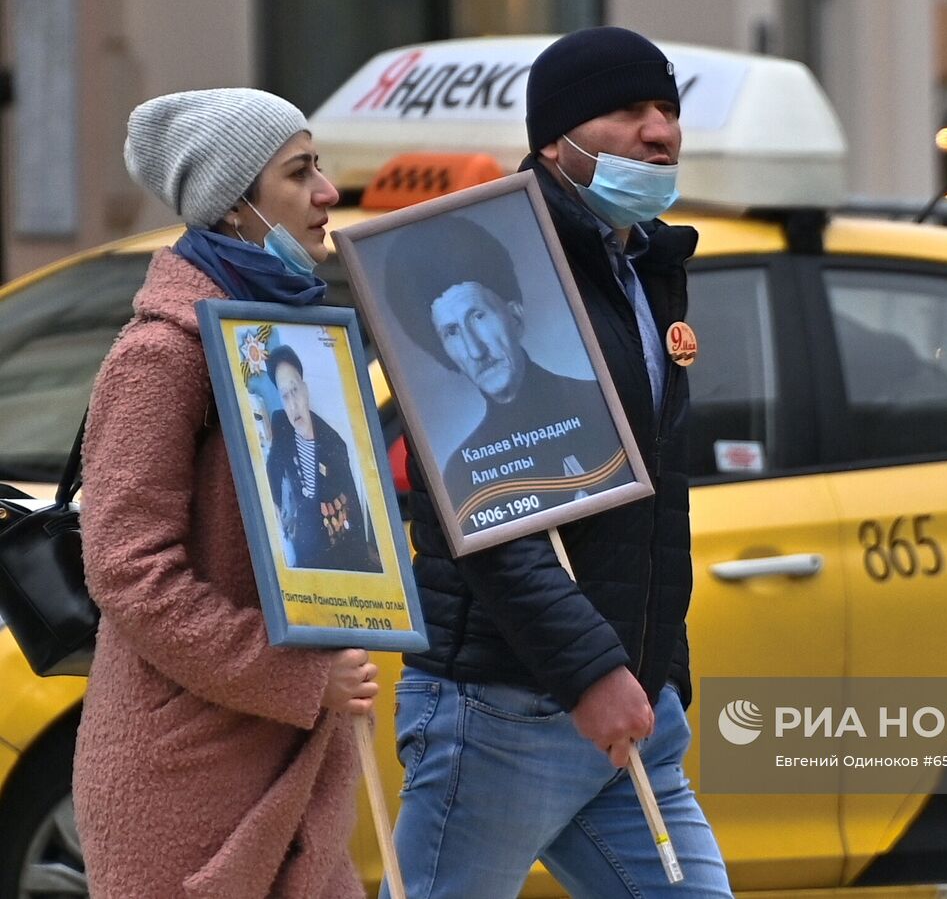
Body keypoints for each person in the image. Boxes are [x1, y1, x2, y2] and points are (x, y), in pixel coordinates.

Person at [388, 27, 733, 897]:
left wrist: (661, 668)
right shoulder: (508, 255)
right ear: (557, 140)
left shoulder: (643, 263)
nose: (660, 131)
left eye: (668, 110)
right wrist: (594, 674)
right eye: (628, 111)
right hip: (507, 713)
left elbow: (648, 497)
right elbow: (489, 514)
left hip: (629, 713)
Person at [76, 88, 379, 898]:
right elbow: (127, 571)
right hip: (184, 784)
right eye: (300, 170)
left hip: (286, 764)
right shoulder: (161, 353)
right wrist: (300, 675)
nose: (327, 192)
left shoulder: (291, 339)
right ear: (235, 203)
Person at [386, 220, 627, 525]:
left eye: (477, 315)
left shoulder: (606, 409)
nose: (475, 350)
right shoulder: (463, 473)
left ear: (515, 315)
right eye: (451, 332)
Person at [264, 344, 381, 572]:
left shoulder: (333, 445)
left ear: (306, 390)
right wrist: (277, 505)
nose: (293, 404)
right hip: (298, 549)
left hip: (330, 556)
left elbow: (353, 516)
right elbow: (273, 467)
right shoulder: (281, 424)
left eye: (295, 390)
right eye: (285, 396)